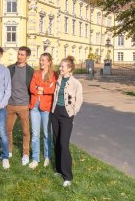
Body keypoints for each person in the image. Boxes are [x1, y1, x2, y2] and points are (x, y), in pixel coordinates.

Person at [51, 56, 83, 187]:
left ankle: (67, 176)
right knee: (56, 141)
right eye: (60, 66)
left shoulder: (75, 83)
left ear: (69, 68)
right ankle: (59, 169)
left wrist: (73, 112)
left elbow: (79, 100)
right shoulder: (58, 80)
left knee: (64, 144)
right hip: (55, 113)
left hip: (67, 115)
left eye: (62, 67)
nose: (60, 68)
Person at [28, 53, 57, 169]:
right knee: (35, 134)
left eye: (44, 60)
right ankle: (35, 158)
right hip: (34, 106)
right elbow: (31, 88)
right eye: (40, 60)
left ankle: (47, 157)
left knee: (46, 133)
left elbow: (52, 89)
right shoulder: (36, 73)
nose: (41, 62)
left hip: (46, 108)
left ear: (49, 62)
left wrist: (40, 89)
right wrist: (43, 89)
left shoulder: (54, 75)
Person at [6, 46, 34, 166]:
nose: (19, 56)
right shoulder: (9, 69)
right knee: (7, 130)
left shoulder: (31, 71)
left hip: (24, 106)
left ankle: (26, 154)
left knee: (26, 132)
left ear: (27, 57)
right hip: (10, 105)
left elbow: (32, 88)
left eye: (22, 55)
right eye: (19, 54)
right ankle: (9, 150)